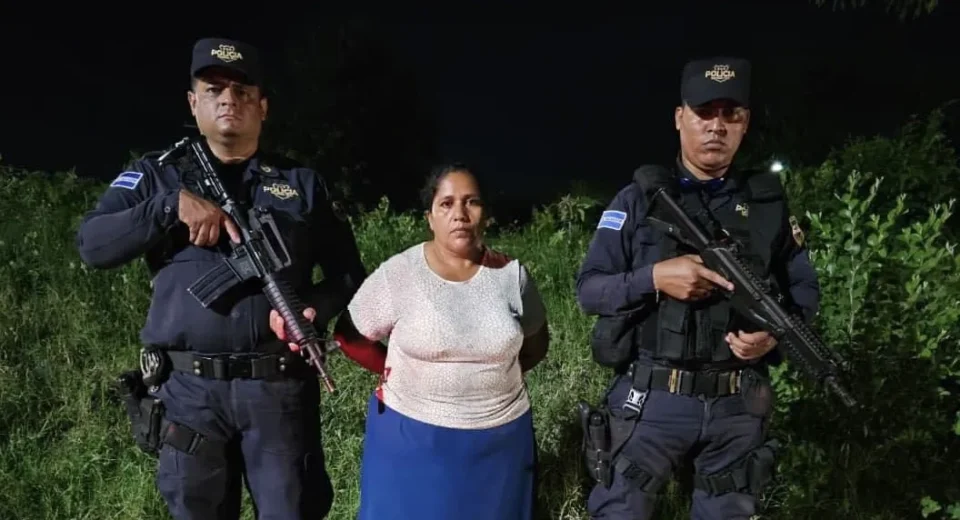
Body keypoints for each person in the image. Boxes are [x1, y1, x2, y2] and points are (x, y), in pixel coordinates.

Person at [75, 37, 366, 519]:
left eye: (243, 91)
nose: (229, 99)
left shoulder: (301, 183)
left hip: (278, 390)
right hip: (190, 394)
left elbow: (349, 274)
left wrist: (313, 308)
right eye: (214, 90)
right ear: (193, 103)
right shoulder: (157, 176)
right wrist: (168, 208)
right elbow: (93, 244)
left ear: (263, 107)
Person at [576, 57, 821, 519]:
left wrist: (773, 335)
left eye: (731, 114)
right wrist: (654, 278)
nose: (717, 126)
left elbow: (805, 288)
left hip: (737, 405)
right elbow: (589, 290)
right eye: (704, 113)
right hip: (651, 401)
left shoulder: (767, 205)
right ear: (679, 117)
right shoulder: (638, 200)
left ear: (745, 123)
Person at [271, 163, 551, 519]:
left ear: (486, 214)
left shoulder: (511, 275)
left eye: (472, 202)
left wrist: (486, 381)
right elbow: (350, 336)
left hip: (501, 441)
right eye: (446, 203)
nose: (460, 214)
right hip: (413, 438)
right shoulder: (401, 273)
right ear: (430, 218)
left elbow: (536, 345)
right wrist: (396, 371)